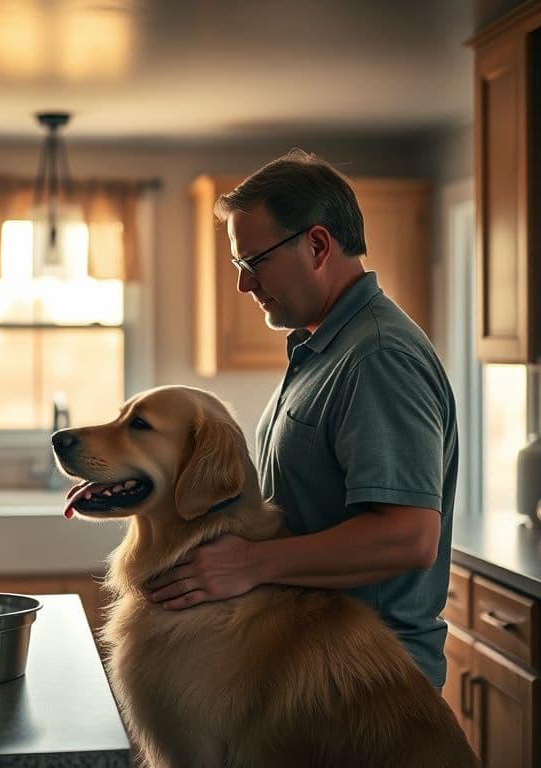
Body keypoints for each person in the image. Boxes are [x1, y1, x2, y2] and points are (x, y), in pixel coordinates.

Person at [145, 149, 458, 690]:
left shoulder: (378, 357)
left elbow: (408, 537)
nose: (245, 285)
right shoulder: (326, 348)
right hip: (319, 662)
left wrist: (249, 564)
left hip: (367, 682)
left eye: (254, 262)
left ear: (316, 245)